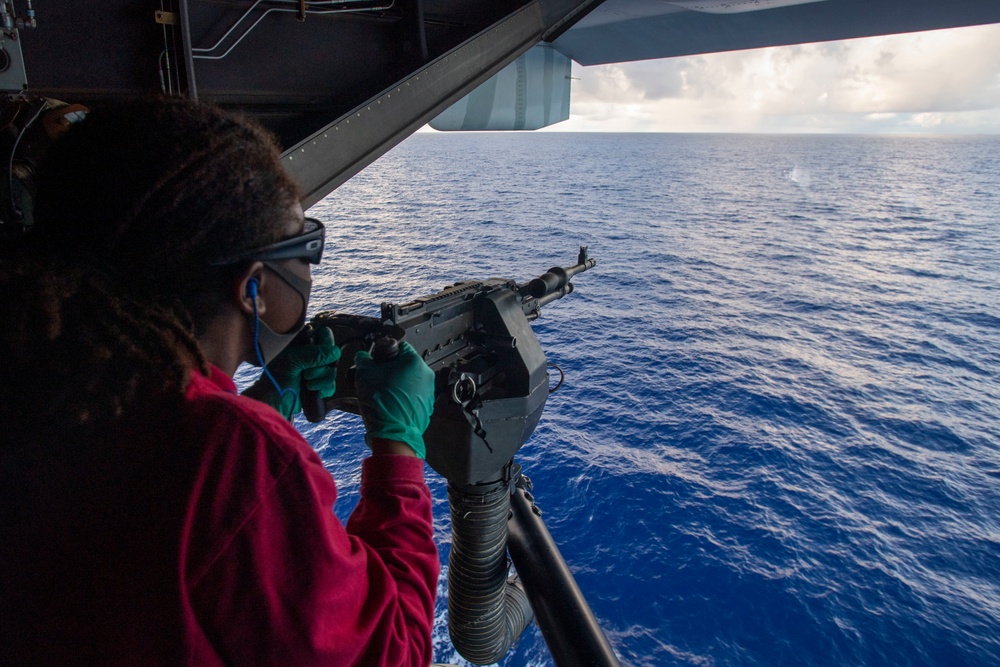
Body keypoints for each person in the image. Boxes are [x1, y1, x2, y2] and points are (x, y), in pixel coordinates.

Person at [0, 97, 439, 665]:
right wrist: (398, 445)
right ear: (252, 285)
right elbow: (393, 653)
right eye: (305, 245)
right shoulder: (233, 455)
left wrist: (270, 392)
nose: (311, 268)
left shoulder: (50, 382)